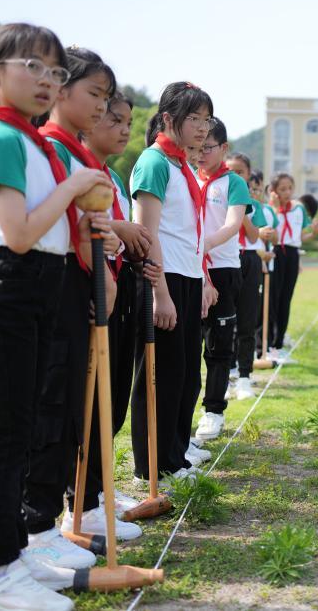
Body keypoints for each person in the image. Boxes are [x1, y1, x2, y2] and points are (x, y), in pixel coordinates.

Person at [0, 22, 112, 611]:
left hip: (39, 287)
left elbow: (47, 226)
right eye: (33, 67)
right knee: (5, 439)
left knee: (20, 434)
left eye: (55, 71)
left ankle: (12, 557)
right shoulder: (1, 137)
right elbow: (20, 234)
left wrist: (85, 212)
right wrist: (74, 185)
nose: (47, 81)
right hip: (7, 286)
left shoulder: (34, 142)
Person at [24, 46, 141, 555]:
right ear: (61, 90)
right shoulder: (50, 148)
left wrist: (108, 246)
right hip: (56, 286)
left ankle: (70, 513)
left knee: (76, 407)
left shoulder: (76, 153)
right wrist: (102, 264)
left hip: (86, 285)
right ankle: (40, 529)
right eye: (95, 94)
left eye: (106, 97)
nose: (102, 107)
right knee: (53, 410)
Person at [79, 89, 164, 524]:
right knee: (87, 405)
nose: (123, 130)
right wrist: (120, 229)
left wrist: (132, 249)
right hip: (87, 290)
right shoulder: (75, 164)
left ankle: (100, 491)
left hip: (119, 285)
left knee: (111, 403)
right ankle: (84, 501)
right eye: (114, 120)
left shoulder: (108, 174)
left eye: (128, 123)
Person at [130, 81, 215, 484]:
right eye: (193, 119)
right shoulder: (154, 163)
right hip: (163, 281)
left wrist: (201, 282)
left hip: (187, 278)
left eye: (206, 119)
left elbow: (189, 234)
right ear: (169, 119)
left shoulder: (183, 167)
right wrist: (160, 294)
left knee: (185, 376)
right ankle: (154, 465)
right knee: (161, 377)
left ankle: (175, 456)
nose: (202, 128)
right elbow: (147, 235)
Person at [192, 119, 252, 442]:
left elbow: (232, 225)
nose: (201, 154)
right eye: (198, 147)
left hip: (222, 270)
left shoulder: (233, 184)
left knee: (217, 345)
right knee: (189, 345)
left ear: (223, 149)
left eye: (208, 148)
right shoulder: (188, 178)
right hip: (189, 269)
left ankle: (213, 411)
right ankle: (182, 415)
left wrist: (203, 244)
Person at [226, 157, 276, 399]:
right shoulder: (215, 196)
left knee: (247, 320)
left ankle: (244, 377)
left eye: (240, 171)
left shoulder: (255, 205)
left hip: (249, 260)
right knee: (224, 322)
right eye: (230, 170)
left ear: (248, 175)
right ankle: (225, 375)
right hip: (223, 259)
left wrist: (240, 205)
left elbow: (253, 233)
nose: (235, 175)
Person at [268, 173, 318, 362]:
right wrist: (274, 208)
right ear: (274, 191)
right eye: (282, 189)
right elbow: (268, 232)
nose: (287, 192)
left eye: (290, 188)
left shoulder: (298, 209)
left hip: (291, 254)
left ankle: (279, 345)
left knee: (285, 299)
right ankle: (267, 345)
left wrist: (312, 234)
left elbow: (299, 237)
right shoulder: (270, 210)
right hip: (275, 252)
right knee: (272, 298)